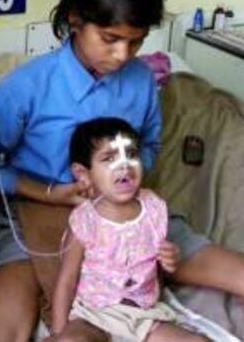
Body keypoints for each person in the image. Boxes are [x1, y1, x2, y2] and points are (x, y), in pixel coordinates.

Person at [0, 0, 244, 342]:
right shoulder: (25, 89)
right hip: (41, 212)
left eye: (135, 42)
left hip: (127, 210)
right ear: (75, 19)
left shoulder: (140, 81)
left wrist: (118, 185)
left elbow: (152, 144)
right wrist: (51, 193)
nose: (122, 55)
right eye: (110, 39)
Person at [49, 117, 202, 342]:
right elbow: (67, 280)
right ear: (84, 174)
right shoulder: (85, 221)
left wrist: (169, 259)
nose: (124, 165)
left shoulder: (154, 208)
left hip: (143, 316)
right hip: (94, 315)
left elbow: (156, 267)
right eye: (109, 158)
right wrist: (59, 331)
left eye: (131, 154)